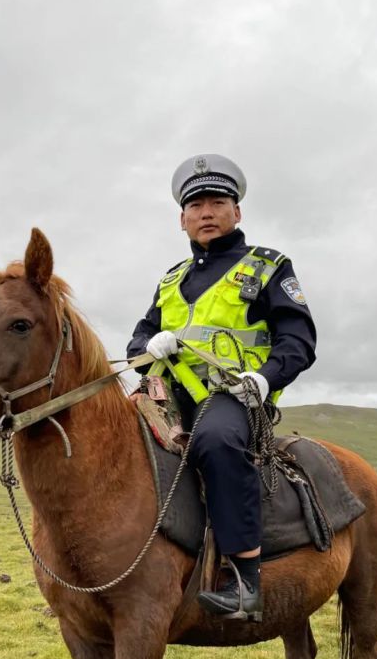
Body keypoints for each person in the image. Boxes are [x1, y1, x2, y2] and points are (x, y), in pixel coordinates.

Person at [126, 154, 317, 621]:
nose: (206, 212)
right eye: (196, 206)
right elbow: (135, 343)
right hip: (168, 395)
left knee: (215, 441)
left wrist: (264, 378)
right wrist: (151, 342)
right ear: (182, 219)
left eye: (217, 201)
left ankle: (245, 581)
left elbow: (299, 339)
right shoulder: (171, 280)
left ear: (237, 212)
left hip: (233, 396)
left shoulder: (268, 266)